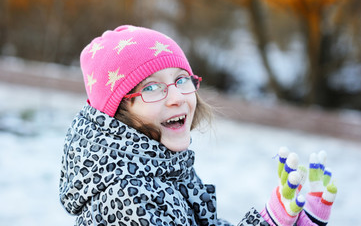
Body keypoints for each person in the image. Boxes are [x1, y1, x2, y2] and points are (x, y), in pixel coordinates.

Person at [59, 25, 337, 226]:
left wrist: (289, 220)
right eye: (152, 87)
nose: (178, 96)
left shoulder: (166, 168)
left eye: (182, 79)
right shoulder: (128, 196)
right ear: (117, 113)